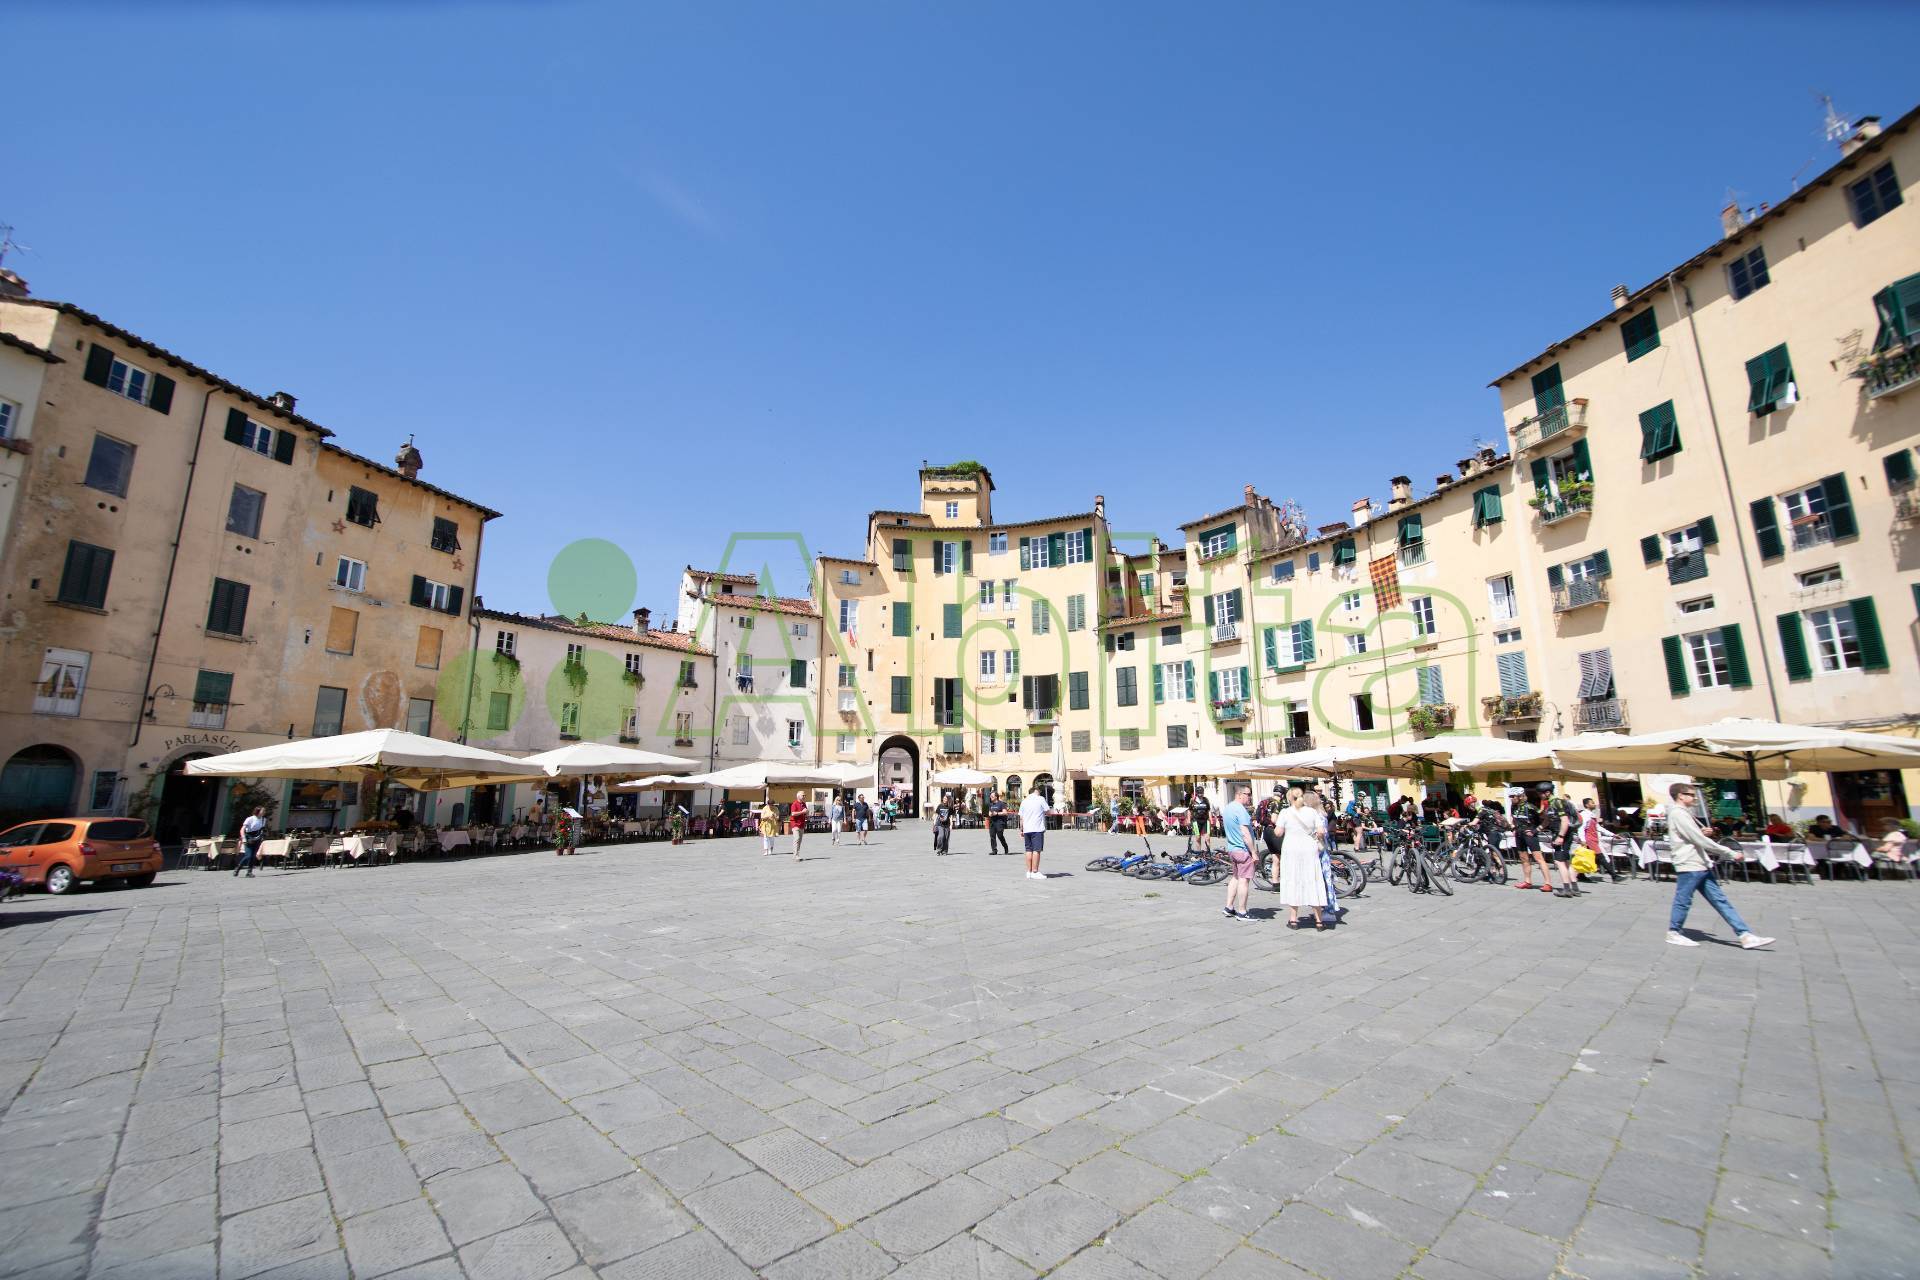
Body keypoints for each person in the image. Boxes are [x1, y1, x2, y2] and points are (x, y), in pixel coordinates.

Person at [1665, 782, 1774, 949]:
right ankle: (1674, 932)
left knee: (1720, 900)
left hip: (1700, 864)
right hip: (1689, 864)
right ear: (1680, 796)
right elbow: (1698, 840)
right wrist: (1729, 852)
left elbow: (1691, 835)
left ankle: (1745, 935)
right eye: (1691, 795)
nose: (1694, 798)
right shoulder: (1678, 813)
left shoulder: (1684, 813)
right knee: (1683, 900)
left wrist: (1701, 832)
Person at [1221, 783, 1257, 921]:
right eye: (1248, 794)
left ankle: (1229, 907)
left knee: (1235, 877)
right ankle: (1242, 911)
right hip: (1243, 850)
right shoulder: (1240, 810)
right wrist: (1253, 852)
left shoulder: (1228, 808)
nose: (1250, 797)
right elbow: (1245, 833)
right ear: (1239, 794)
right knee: (1244, 880)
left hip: (1232, 848)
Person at [1019, 785, 1049, 880]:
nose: (1039, 793)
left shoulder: (1024, 801)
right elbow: (1047, 811)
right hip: (1037, 828)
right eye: (1038, 792)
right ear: (1035, 791)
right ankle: (1035, 871)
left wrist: (1021, 830)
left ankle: (1029, 872)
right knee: (1036, 850)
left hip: (1027, 829)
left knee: (1028, 850)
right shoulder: (1040, 799)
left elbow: (1021, 817)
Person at [235, 807, 268, 878]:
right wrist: (244, 838)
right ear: (258, 811)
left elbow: (262, 830)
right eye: (263, 811)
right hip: (249, 838)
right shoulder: (250, 819)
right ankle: (238, 868)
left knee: (253, 856)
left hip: (257, 839)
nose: (264, 812)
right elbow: (242, 829)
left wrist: (263, 835)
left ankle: (249, 872)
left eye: (264, 811)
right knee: (248, 855)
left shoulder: (264, 820)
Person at [1188, 787, 1212, 854]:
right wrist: (1189, 820)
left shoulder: (1206, 800)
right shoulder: (1192, 800)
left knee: (1207, 838)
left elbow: (1209, 810)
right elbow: (1189, 810)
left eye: (1202, 793)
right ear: (1197, 793)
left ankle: (1208, 852)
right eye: (1199, 793)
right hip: (1196, 821)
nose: (1201, 794)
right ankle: (1199, 853)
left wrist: (1211, 820)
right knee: (1198, 838)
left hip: (1205, 821)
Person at [787, 792, 808, 860]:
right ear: (798, 796)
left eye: (804, 795)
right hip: (795, 824)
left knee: (800, 840)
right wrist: (802, 812)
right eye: (803, 795)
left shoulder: (804, 804)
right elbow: (793, 814)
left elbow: (805, 812)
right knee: (797, 839)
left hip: (801, 824)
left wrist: (806, 812)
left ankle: (796, 854)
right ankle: (796, 855)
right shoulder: (794, 804)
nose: (804, 796)